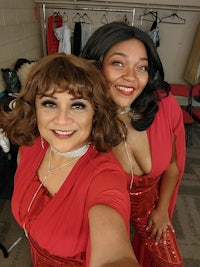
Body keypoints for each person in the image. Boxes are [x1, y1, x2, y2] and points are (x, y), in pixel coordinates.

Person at [0, 53, 140, 267]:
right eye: (49, 103)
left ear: (96, 112)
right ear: (34, 108)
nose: (62, 119)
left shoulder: (104, 177)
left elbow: (115, 255)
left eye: (77, 105)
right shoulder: (31, 147)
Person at [82, 21, 186, 267]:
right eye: (118, 63)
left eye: (142, 67)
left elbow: (172, 166)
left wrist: (162, 211)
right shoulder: (79, 119)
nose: (131, 77)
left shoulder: (162, 106)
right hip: (101, 213)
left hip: (150, 209)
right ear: (97, 65)